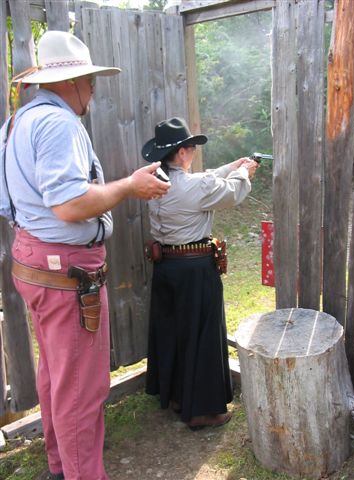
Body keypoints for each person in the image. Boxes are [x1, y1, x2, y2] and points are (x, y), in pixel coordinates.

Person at [0, 31, 170, 480]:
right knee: (81, 389)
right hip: (65, 271)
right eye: (89, 80)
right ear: (70, 82)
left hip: (34, 261)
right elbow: (70, 204)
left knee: (58, 375)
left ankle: (60, 468)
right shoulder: (58, 124)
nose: (93, 89)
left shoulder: (20, 120)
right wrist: (129, 187)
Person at [142, 117, 258, 430]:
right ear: (181, 153)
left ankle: (179, 397)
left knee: (177, 334)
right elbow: (231, 193)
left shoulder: (156, 179)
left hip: (166, 267)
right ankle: (203, 411)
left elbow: (205, 180)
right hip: (195, 270)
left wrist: (231, 167)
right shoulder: (195, 187)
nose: (193, 152)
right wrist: (243, 175)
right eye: (191, 147)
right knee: (203, 337)